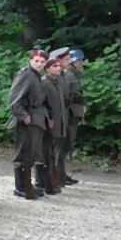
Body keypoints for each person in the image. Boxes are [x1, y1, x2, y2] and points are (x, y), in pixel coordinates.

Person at [8, 49, 51, 200]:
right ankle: (20, 187)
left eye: (42, 61)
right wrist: (23, 115)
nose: (39, 64)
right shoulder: (25, 74)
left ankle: (27, 184)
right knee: (22, 153)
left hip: (36, 119)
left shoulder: (36, 76)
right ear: (31, 60)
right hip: (27, 119)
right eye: (36, 61)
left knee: (32, 153)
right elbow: (14, 99)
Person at [41, 48, 69, 196]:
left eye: (59, 66)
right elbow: (41, 103)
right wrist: (48, 118)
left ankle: (55, 182)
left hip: (60, 122)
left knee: (56, 153)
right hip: (50, 123)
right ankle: (48, 184)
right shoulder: (45, 83)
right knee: (49, 155)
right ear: (47, 68)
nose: (58, 68)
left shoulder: (57, 82)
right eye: (55, 66)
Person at [62, 48, 86, 184]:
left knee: (67, 144)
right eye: (78, 60)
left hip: (74, 112)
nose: (81, 62)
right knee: (65, 144)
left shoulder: (72, 74)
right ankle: (59, 174)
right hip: (69, 113)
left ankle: (61, 173)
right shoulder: (68, 75)